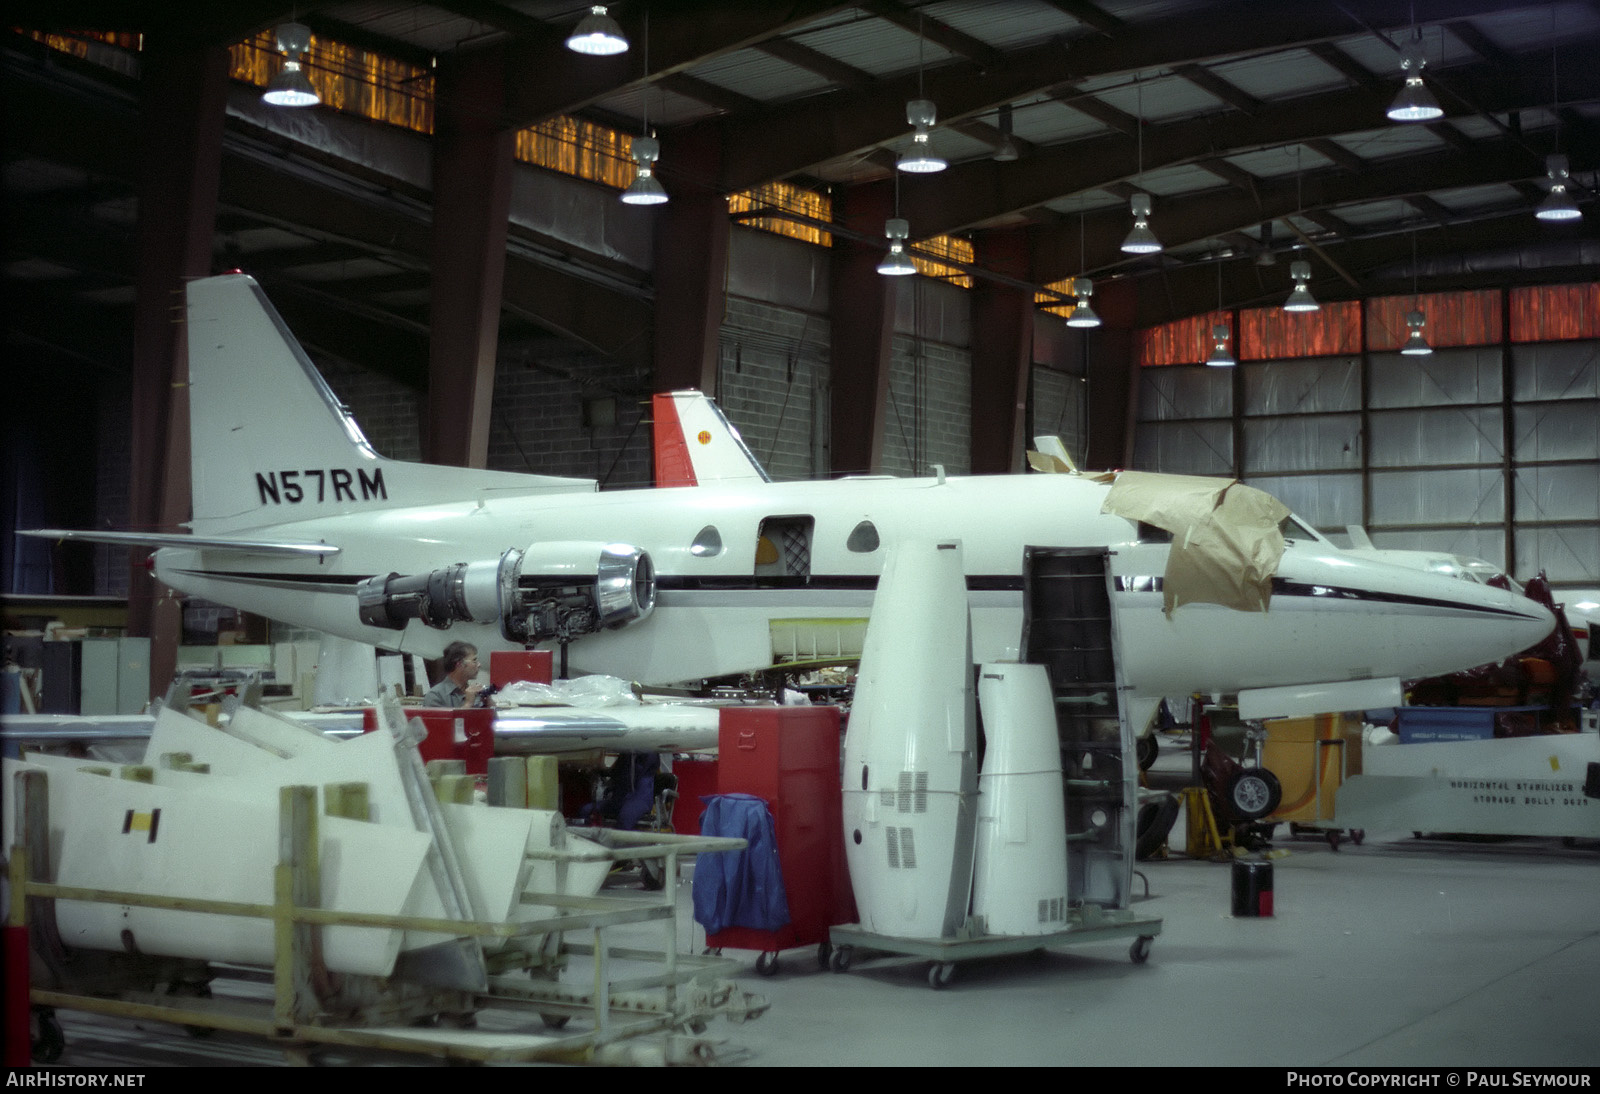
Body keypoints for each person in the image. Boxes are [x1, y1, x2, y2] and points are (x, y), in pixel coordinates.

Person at [422, 641, 483, 708]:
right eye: (474, 660)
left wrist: (490, 706)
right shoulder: (435, 696)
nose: (479, 665)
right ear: (459, 664)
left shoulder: (476, 694)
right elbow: (443, 719)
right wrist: (468, 704)